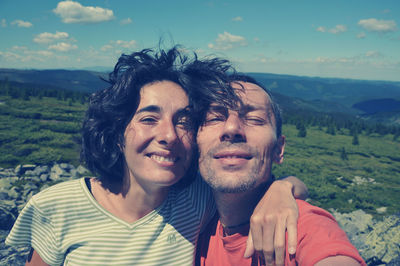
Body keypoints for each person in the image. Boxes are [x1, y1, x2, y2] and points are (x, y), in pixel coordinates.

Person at [6, 47, 306, 265]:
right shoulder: (57, 206)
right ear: (117, 133)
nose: (169, 135)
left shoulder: (199, 199)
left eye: (184, 121)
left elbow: (248, 180)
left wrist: (282, 188)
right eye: (149, 119)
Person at [195, 75, 367, 266]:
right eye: (214, 118)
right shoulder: (190, 220)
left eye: (254, 119)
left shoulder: (301, 226)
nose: (232, 128)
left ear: (279, 149)